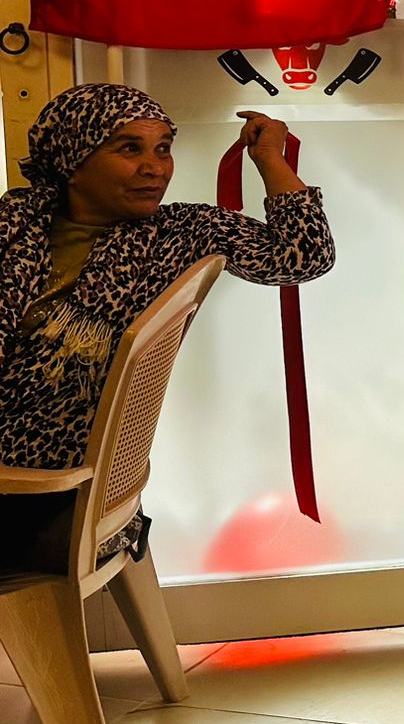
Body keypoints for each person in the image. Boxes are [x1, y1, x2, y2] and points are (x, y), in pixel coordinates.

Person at [0, 86, 334, 493]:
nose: (154, 168)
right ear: (73, 159)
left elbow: (305, 254)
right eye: (130, 149)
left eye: (163, 149)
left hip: (41, 482)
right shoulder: (14, 222)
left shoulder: (178, 233)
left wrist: (268, 158)